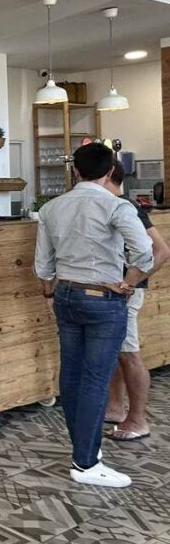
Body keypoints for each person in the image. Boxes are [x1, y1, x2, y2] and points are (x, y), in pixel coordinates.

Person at [34, 143, 153, 487]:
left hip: (66, 294)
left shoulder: (51, 207)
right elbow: (145, 253)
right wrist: (128, 284)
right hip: (103, 298)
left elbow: (43, 265)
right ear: (110, 171)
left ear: (75, 171)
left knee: (71, 376)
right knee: (95, 379)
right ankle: (85, 462)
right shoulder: (117, 206)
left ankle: (85, 452)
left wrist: (49, 294)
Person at [103, 160, 170, 441]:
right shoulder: (112, 206)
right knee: (117, 352)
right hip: (116, 290)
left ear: (107, 175)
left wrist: (131, 283)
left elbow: (161, 250)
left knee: (128, 354)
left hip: (125, 292)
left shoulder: (126, 207)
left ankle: (138, 420)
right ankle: (116, 408)